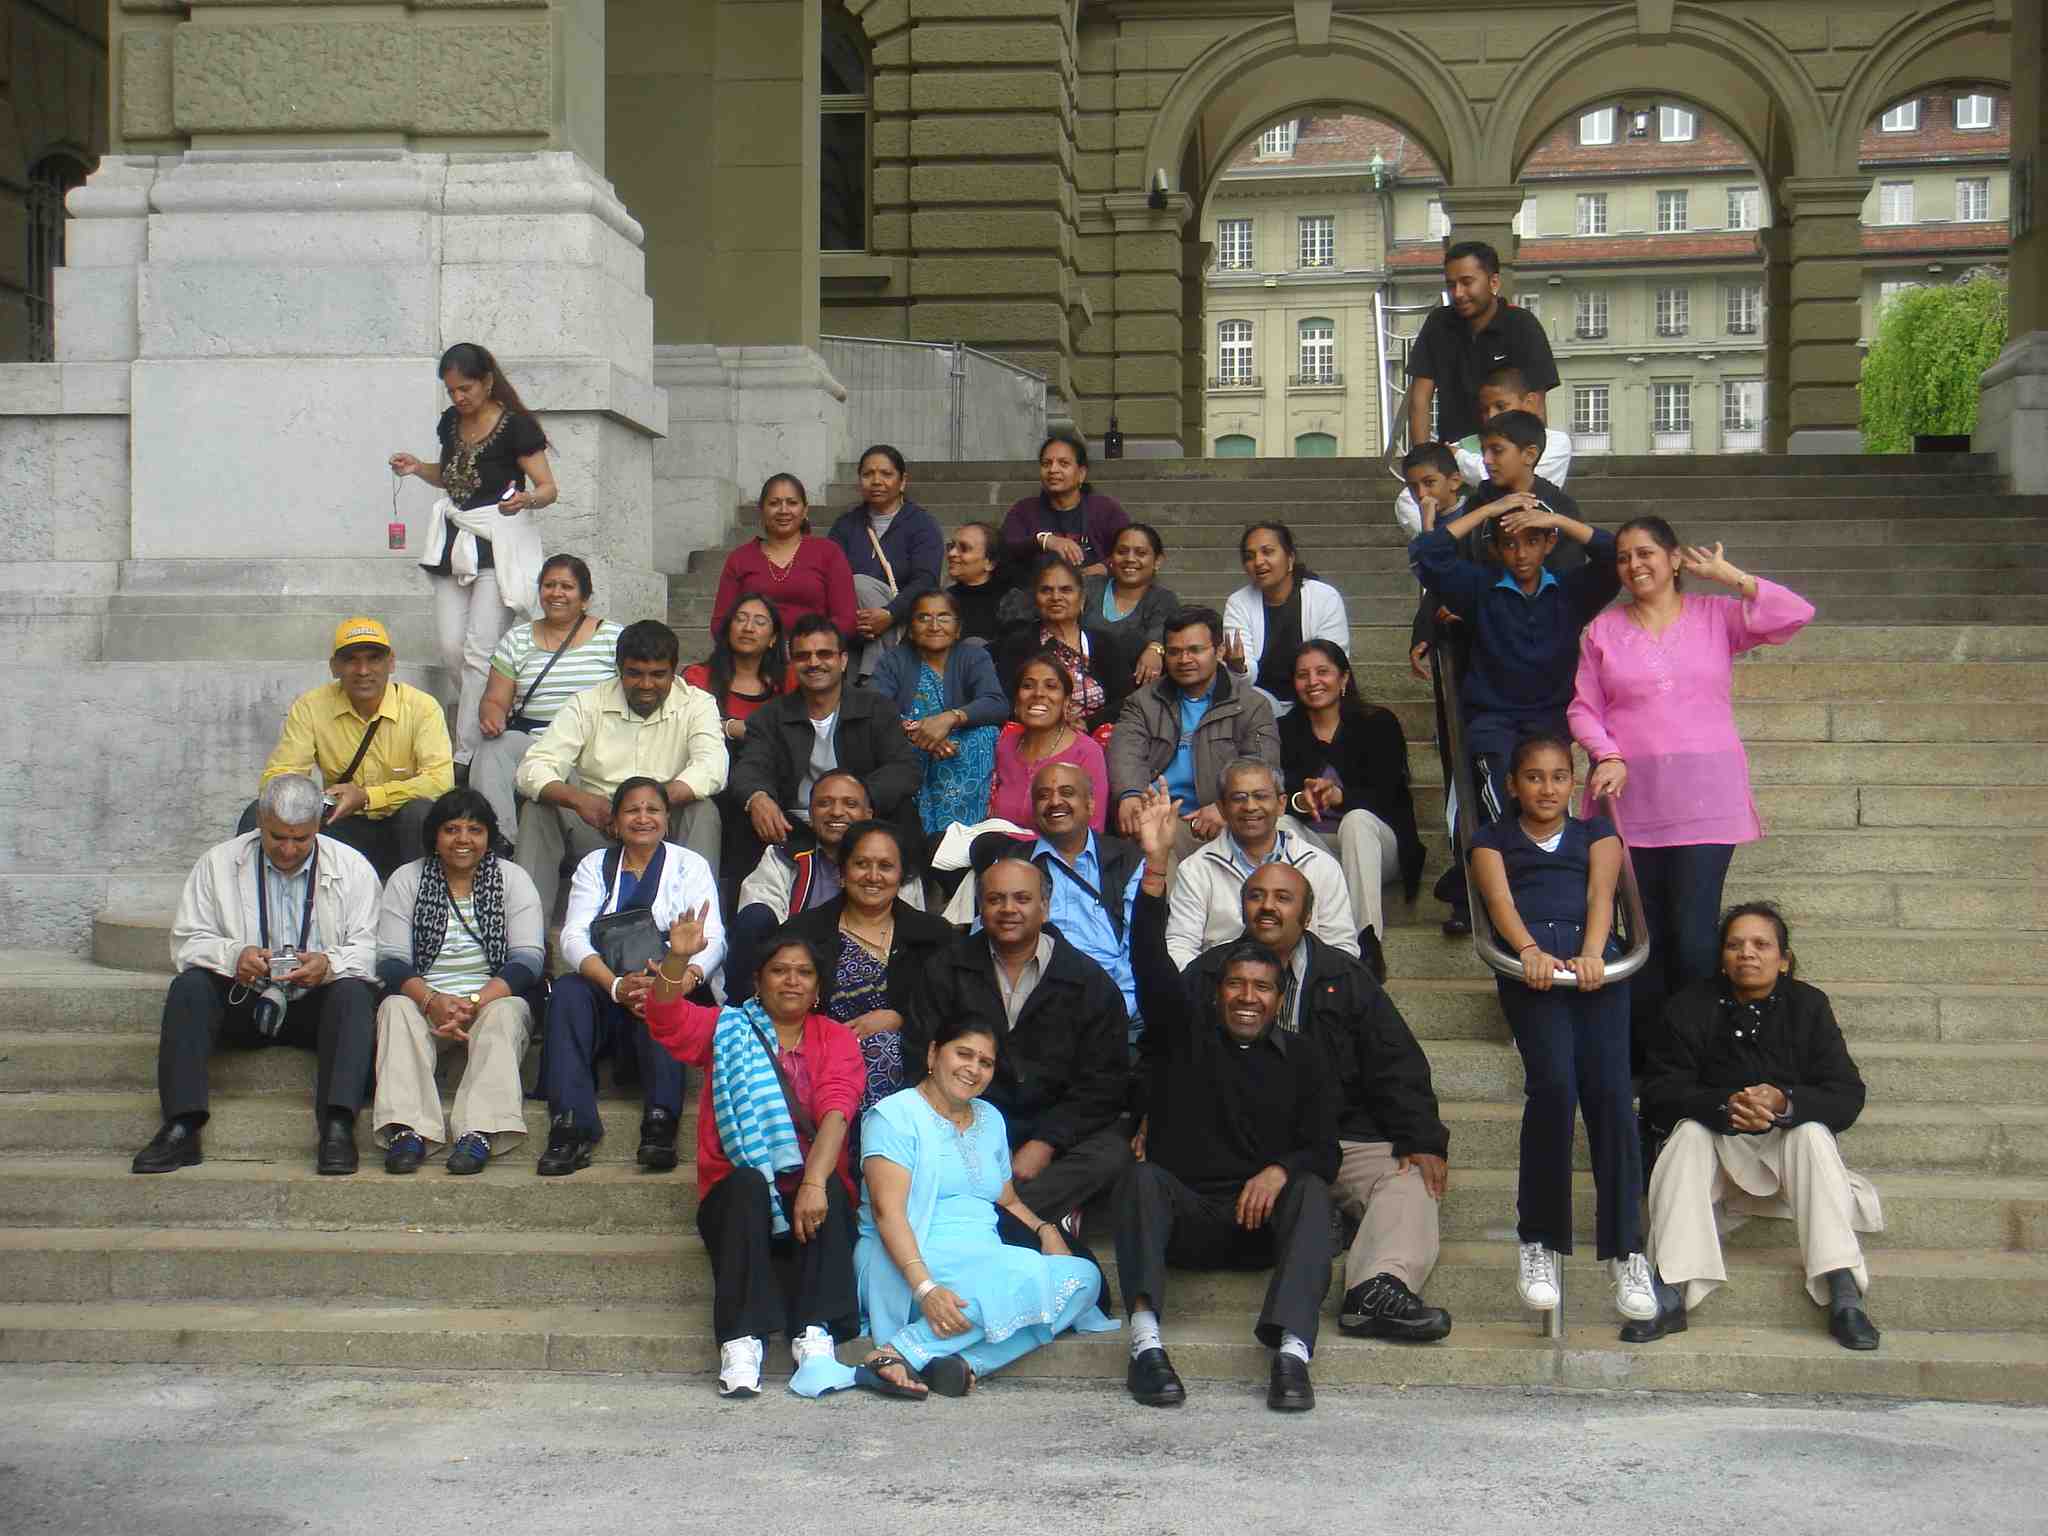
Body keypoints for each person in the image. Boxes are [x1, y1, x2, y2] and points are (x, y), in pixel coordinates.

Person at [1116, 783, 1339, 1412]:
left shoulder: (1302, 1058)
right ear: (1217, 992)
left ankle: (1293, 1356)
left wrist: (1281, 1169)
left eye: (1262, 989)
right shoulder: (1183, 1034)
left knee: (1314, 1191)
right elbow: (1151, 964)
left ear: (1277, 999)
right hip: (1186, 1218)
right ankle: (1146, 1344)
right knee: (1138, 1181)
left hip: (1259, 1227)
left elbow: (1324, 1150)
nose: (1247, 998)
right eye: (1235, 985)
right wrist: (1156, 867)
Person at [1179, 856, 1453, 1342]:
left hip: (1333, 1135)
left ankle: (1375, 1289)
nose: (1267, 907)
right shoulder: (1207, 974)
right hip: (1233, 1142)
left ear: (1307, 916)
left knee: (1410, 1180)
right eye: (1257, 896)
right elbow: (1167, 1056)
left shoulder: (1345, 977)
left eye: (1283, 898)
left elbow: (1396, 1062)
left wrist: (1422, 1137)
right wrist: (1146, 1119)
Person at [1569, 517, 1815, 1047]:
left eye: (1646, 554)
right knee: (1645, 934)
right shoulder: (1603, 630)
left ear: (1675, 558)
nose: (1634, 565)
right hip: (1630, 803)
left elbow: (1796, 614)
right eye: (1624, 558)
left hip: (1707, 799)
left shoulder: (1716, 616)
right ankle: (1653, 1064)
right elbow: (1584, 709)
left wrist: (1734, 578)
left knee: (1693, 935)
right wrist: (1606, 754)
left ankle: (1703, 1051)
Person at [1632, 904, 1882, 1351]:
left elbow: (1847, 1094)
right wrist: (1724, 1106)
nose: (1747, 953)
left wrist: (1785, 1102)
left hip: (1787, 1154)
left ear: (1783, 958)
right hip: (1718, 1152)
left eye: (1761, 944)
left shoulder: (1809, 1005)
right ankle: (1671, 1286)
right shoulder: (1690, 1006)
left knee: (1812, 1132)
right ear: (1722, 957)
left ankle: (1843, 1290)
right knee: (1687, 1132)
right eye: (1734, 945)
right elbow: (1659, 1093)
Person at [1467, 736, 1655, 1324]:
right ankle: (1540, 1242)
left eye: (1557, 778)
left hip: (1595, 963)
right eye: (1533, 778)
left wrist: (1595, 953)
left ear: (1572, 783)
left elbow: (1602, 895)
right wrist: (1526, 950)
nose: (1546, 789)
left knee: (1610, 1097)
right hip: (1533, 968)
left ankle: (1626, 1251)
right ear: (1512, 785)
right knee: (1553, 1089)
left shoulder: (1597, 835)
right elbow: (1498, 900)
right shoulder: (1489, 840)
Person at [643, 915, 866, 1399]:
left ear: (818, 987)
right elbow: (664, 1018)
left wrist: (811, 1183)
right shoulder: (728, 1028)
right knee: (744, 1183)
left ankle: (815, 1334)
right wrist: (677, 958)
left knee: (827, 1183)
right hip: (741, 1200)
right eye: (779, 970)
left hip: (812, 1195)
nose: (791, 980)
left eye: (803, 972)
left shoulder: (836, 1039)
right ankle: (741, 1340)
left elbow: (836, 1112)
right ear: (757, 982)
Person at [1411, 410, 1605, 932]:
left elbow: (1611, 557)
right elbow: (1428, 554)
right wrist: (1490, 508)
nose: (1521, 552)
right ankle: (1502, 892)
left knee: (1547, 798)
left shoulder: (1567, 593)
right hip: (1493, 720)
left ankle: (1539, 884)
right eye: (1509, 543)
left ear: (1547, 546)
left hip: (1548, 722)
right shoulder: (1479, 589)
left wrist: (1556, 520)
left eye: (1531, 542)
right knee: (1497, 799)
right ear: (1495, 549)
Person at [854, 1016, 1119, 1399]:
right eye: (963, 1054)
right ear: (933, 1053)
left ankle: (961, 1363)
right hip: (911, 1255)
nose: (973, 1069)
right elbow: (887, 1213)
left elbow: (1006, 1198)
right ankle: (892, 1353)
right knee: (1025, 1274)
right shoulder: (893, 1117)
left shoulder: (990, 1118)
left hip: (984, 1256)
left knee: (1082, 1278)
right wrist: (926, 1288)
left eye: (985, 1062)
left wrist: (1046, 1231)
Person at [135, 774, 380, 1177]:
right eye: (277, 836)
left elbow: (370, 949)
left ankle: (337, 1126)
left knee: (353, 994)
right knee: (190, 988)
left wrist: (328, 964)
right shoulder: (218, 863)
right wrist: (235, 955)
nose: (287, 849)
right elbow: (186, 942)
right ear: (260, 821)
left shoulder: (353, 869)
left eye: (300, 839)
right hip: (243, 996)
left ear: (318, 826)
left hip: (313, 1002)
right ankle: (182, 1124)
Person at [910, 855, 1135, 1229]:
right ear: (981, 907)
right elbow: (922, 1055)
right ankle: (1040, 1219)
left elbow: (1103, 1085)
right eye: (996, 899)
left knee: (1111, 1153)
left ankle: (988, 1220)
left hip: (1053, 1136)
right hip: (965, 1126)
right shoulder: (945, 969)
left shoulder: (1088, 982)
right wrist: (967, 1131)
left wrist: (1045, 1144)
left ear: (1045, 907)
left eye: (1022, 899)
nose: (1008, 909)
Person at [535, 778, 726, 1178]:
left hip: (669, 980)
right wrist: (617, 986)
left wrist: (680, 979)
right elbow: (573, 935)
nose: (643, 818)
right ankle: (571, 1125)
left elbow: (712, 939)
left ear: (667, 819)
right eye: (632, 811)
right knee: (569, 991)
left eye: (652, 810)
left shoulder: (689, 865)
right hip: (610, 987)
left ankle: (660, 1123)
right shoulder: (594, 866)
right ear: (615, 822)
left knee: (667, 999)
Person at [387, 342, 557, 768]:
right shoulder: (450, 423)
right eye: (451, 391)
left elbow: (548, 488)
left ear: (486, 381)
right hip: (455, 541)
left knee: (481, 650)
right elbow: (451, 477)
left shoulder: (516, 426)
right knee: (450, 647)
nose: (459, 398)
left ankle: (468, 754)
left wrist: (526, 500)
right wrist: (416, 468)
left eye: (465, 388)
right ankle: (497, 709)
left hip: (497, 542)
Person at [371, 789, 545, 1175]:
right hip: (425, 998)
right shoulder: (407, 879)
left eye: (474, 829)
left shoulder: (513, 880)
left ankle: (478, 1131)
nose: (463, 839)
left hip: (489, 997)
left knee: (507, 1011)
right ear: (434, 835)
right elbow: (391, 960)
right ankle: (408, 1130)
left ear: (489, 837)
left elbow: (528, 960)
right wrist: (433, 1001)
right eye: (451, 829)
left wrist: (473, 1001)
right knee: (394, 1006)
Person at [512, 619, 726, 918]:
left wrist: (648, 807)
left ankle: (696, 937)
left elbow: (712, 767)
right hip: (600, 824)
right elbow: (532, 769)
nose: (647, 685)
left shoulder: (698, 704)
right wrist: (580, 801)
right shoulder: (586, 703)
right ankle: (528, 943)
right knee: (538, 810)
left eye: (658, 675)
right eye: (635, 674)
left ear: (675, 670)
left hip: (665, 826)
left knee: (703, 811)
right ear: (619, 669)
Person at [246, 616, 453, 881]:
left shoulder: (422, 707)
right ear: (334, 667)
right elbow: (281, 776)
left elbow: (440, 782)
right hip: (339, 824)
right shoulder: (311, 706)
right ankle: (263, 908)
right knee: (260, 811)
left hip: (403, 828)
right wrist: (313, 800)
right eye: (351, 660)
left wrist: (367, 796)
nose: (363, 670)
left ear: (391, 663)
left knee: (421, 813)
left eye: (374, 658)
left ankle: (426, 906)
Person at [776, 820, 957, 1117]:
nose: (873, 876)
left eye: (886, 866)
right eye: (861, 864)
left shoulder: (933, 935)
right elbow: (778, 1000)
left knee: (883, 1047)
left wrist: (899, 1019)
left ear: (901, 876)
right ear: (842, 873)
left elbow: (950, 1008)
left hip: (909, 1062)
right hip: (816, 1057)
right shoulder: (803, 932)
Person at [728, 614, 924, 871]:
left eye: (824, 654)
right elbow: (750, 766)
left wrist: (856, 801)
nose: (813, 663)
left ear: (843, 661)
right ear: (792, 664)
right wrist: (758, 798)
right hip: (795, 823)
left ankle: (907, 902)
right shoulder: (770, 716)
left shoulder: (876, 708)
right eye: (803, 656)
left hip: (864, 818)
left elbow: (905, 768)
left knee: (904, 812)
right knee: (744, 816)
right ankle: (751, 910)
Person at [1279, 640, 1425, 982]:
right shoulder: (1286, 730)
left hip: (1376, 844)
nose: (1313, 681)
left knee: (1356, 822)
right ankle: (1300, 941)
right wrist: (1304, 799)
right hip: (1320, 844)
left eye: (1323, 672)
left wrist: (1341, 799)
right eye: (1303, 675)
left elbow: (1390, 795)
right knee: (1282, 823)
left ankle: (1365, 944)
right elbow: (1280, 792)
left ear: (1344, 678)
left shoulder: (1377, 723)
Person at [471, 555, 622, 846]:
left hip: (592, 745)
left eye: (567, 586)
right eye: (549, 585)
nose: (556, 593)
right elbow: (494, 699)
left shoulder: (613, 637)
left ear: (585, 598)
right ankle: (498, 841)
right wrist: (492, 715)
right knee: (493, 749)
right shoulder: (516, 640)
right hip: (537, 744)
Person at [1108, 606, 1280, 857]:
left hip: (1226, 820)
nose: (1184, 660)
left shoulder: (1251, 705)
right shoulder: (1143, 702)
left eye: (1195, 650)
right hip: (1159, 814)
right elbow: (1126, 753)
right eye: (1175, 652)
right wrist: (1130, 794)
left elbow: (1264, 768)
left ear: (1220, 650)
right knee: (1152, 833)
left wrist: (1225, 807)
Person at [1165, 758, 1355, 969]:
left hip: (1305, 992)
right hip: (1222, 992)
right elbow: (1179, 946)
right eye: (1238, 798)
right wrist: (1215, 986)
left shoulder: (1320, 865)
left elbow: (1341, 948)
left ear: (1281, 804)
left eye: (1261, 796)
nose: (1250, 806)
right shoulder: (1196, 869)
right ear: (1222, 808)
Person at [1023, 761, 1145, 1045]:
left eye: (1067, 792)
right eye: (1043, 795)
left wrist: (1116, 1010)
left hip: (1113, 1005)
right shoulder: (1014, 864)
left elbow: (1138, 947)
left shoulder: (1127, 860)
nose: (1055, 802)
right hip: (1036, 1005)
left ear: (1090, 804)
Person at [870, 589, 1007, 837]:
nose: (934, 626)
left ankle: (963, 834)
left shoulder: (973, 656)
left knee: (984, 735)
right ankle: (927, 838)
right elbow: (876, 707)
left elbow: (996, 703)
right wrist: (920, 734)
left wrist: (950, 718)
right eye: (923, 618)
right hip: (912, 746)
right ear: (910, 629)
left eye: (943, 617)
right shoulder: (895, 661)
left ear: (957, 628)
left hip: (959, 747)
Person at [684, 592, 794, 886]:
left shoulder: (788, 681)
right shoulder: (698, 677)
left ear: (773, 638)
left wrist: (733, 726)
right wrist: (735, 729)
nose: (748, 628)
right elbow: (690, 725)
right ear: (728, 628)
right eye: (741, 619)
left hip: (772, 778)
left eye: (760, 622)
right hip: (715, 780)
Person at [1404, 241, 1559, 449]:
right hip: (1455, 456)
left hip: (1509, 457)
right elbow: (1420, 399)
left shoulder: (1522, 326)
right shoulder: (1438, 324)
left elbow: (1536, 405)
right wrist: (1423, 458)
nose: (1458, 293)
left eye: (1467, 282)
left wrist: (1530, 466)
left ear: (1494, 282)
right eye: (1451, 285)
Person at [1396, 366, 1571, 537]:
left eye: (1501, 406)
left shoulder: (1555, 442)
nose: (1491, 416)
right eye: (1485, 410)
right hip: (1473, 539)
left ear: (1529, 402)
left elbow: (1511, 479)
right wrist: (1448, 532)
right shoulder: (1467, 443)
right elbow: (1408, 498)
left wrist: (1459, 457)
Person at [827, 445, 944, 675]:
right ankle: (879, 677)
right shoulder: (845, 526)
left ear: (902, 481)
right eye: (868, 474)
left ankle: (871, 674)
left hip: (903, 617)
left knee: (860, 582)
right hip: (855, 622)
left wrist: (889, 614)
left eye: (886, 474)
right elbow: (829, 577)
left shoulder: (921, 525)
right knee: (855, 585)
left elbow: (926, 581)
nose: (876, 481)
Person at [710, 473, 858, 644]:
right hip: (755, 658)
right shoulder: (739, 559)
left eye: (792, 503)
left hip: (811, 656)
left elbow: (846, 619)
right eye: (774, 503)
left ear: (805, 510)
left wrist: (805, 645)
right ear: (762, 510)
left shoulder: (829, 553)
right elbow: (720, 623)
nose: (783, 510)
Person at [1222, 521, 1350, 717]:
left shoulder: (1324, 597)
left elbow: (1333, 662)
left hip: (1315, 695)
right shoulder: (1238, 603)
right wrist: (1238, 667)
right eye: (1250, 557)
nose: (1258, 562)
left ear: (1290, 558)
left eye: (1268, 552)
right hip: (1260, 703)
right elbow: (1242, 677)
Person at [994, 554, 1131, 736]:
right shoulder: (1018, 645)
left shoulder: (1104, 643)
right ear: (1036, 599)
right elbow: (1007, 702)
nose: (1056, 597)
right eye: (1046, 590)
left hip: (1096, 736)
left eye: (1066, 590)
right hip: (1036, 735)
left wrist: (1087, 723)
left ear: (1081, 599)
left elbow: (1126, 701)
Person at [988, 655, 1110, 833]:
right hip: (999, 854)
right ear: (1016, 700)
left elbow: (1092, 829)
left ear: (1066, 702)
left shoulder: (1086, 752)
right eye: (1028, 686)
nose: (1038, 693)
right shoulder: (1004, 745)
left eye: (1051, 686)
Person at [998, 430, 1129, 583]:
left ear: (1081, 473)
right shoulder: (1023, 511)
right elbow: (1003, 550)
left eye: (1063, 463)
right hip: (1037, 597)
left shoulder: (1105, 510)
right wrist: (1045, 541)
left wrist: (1104, 567)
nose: (1053, 470)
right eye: (1046, 463)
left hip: (1095, 595)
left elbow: (1130, 549)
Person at [1085, 523, 1179, 688]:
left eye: (1141, 553)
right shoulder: (1089, 588)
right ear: (1111, 558)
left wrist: (1155, 649)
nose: (1130, 559)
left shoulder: (1163, 599)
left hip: (1133, 691)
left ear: (1157, 561)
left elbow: (1160, 635)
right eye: (1121, 552)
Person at [943, 521, 1010, 646]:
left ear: (990, 562)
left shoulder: (1011, 603)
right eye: (951, 546)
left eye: (964, 548)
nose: (951, 554)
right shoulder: (941, 600)